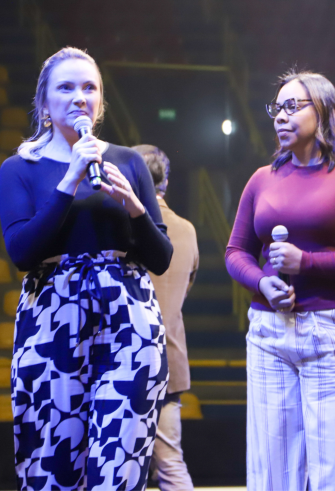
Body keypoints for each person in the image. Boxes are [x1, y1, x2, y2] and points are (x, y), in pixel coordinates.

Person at [0, 47, 173, 491]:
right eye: (66, 87)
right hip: (53, 320)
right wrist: (68, 180)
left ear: (100, 102)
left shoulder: (129, 162)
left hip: (128, 321)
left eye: (89, 87)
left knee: (118, 466)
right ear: (44, 104)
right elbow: (22, 252)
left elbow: (161, 258)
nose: (80, 96)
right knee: (52, 466)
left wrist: (134, 207)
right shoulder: (20, 168)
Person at [225, 70, 335, 491]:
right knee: (270, 476)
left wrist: (308, 264)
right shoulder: (261, 179)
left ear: (322, 110)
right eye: (276, 108)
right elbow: (236, 252)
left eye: (291, 106)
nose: (280, 117)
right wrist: (261, 284)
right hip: (269, 333)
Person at [134, 144, 198, 491]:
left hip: (124, 360)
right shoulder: (187, 229)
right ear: (166, 183)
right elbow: (184, 289)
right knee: (171, 462)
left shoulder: (122, 226)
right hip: (170, 361)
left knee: (121, 466)